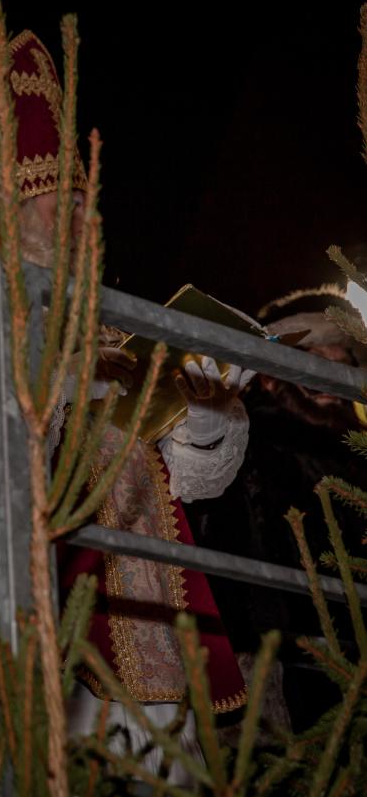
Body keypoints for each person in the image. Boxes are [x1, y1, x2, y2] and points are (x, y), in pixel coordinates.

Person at [0, 31, 250, 780]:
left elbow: (196, 481)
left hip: (149, 594)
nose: (80, 223)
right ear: (5, 215)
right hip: (30, 590)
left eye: (86, 207)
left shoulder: (123, 321)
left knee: (165, 771)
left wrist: (207, 415)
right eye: (57, 206)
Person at [188, 290, 367, 733]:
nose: (328, 379)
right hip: (270, 652)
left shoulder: (355, 456)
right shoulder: (247, 438)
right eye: (312, 362)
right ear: (271, 378)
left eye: (340, 363)